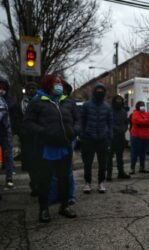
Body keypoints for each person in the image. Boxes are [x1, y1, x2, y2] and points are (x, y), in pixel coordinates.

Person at [23, 74, 79, 223]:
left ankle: (64, 206)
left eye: (60, 82)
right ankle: (44, 209)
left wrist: (74, 131)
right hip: (46, 147)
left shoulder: (67, 102)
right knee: (45, 180)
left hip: (64, 147)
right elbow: (28, 123)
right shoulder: (37, 102)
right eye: (56, 83)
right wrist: (43, 132)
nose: (59, 85)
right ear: (48, 84)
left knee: (64, 179)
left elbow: (77, 120)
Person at [80, 83, 112, 193]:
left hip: (103, 139)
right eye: (97, 90)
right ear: (94, 92)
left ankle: (101, 183)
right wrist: (82, 135)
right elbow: (82, 121)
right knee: (87, 163)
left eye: (101, 91)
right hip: (89, 138)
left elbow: (110, 123)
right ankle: (87, 183)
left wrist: (109, 137)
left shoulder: (107, 107)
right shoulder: (86, 105)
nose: (99, 93)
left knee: (103, 163)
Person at [20, 81, 38, 195]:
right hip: (27, 138)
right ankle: (33, 184)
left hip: (39, 136)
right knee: (31, 164)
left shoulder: (41, 102)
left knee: (41, 163)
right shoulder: (21, 103)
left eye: (34, 88)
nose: (32, 90)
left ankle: (40, 184)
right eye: (29, 88)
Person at [106, 95, 130, 180]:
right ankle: (109, 174)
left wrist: (123, 129)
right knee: (109, 157)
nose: (119, 101)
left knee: (120, 156)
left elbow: (126, 123)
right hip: (111, 137)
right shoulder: (110, 110)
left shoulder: (123, 111)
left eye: (120, 100)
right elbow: (109, 122)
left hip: (121, 137)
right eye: (117, 100)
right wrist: (117, 129)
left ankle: (121, 172)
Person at [129, 101, 149, 175]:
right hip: (136, 136)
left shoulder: (146, 113)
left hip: (145, 137)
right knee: (134, 153)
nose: (143, 106)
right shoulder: (135, 113)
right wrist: (146, 121)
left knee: (143, 153)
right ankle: (132, 168)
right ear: (138, 106)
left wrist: (144, 122)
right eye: (141, 105)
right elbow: (136, 121)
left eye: (143, 105)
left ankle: (142, 167)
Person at [0, 91, 14, 190]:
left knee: (8, 156)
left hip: (4, 133)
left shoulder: (4, 100)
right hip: (5, 133)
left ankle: (9, 178)